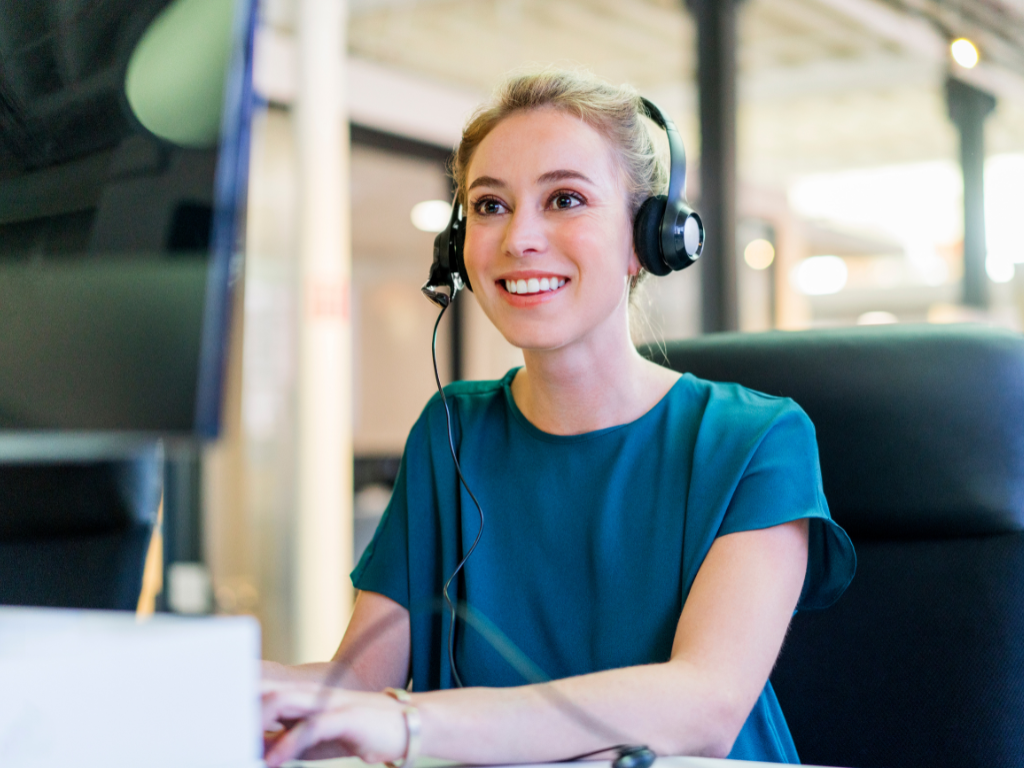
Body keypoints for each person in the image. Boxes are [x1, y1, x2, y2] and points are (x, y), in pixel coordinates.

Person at [261, 68, 856, 767]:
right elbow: (356, 684)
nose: (519, 239)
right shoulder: (453, 432)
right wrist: (190, 678)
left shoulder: (756, 439)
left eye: (565, 199)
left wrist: (414, 726)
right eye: (489, 207)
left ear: (648, 239)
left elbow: (704, 707)